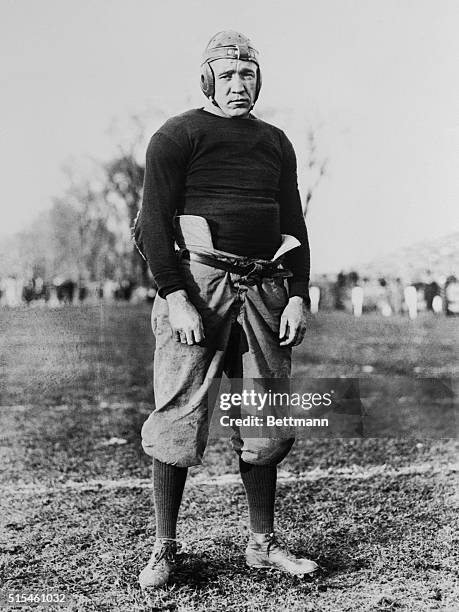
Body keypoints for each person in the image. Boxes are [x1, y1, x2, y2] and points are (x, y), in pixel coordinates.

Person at [136, 30, 318, 589]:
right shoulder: (178, 134)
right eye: (229, 74)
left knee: (265, 417)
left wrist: (299, 293)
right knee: (178, 415)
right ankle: (166, 548)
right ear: (208, 79)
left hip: (265, 289)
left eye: (249, 75)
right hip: (200, 286)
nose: (240, 84)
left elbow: (294, 222)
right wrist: (175, 297)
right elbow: (151, 225)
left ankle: (261, 545)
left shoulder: (276, 141)